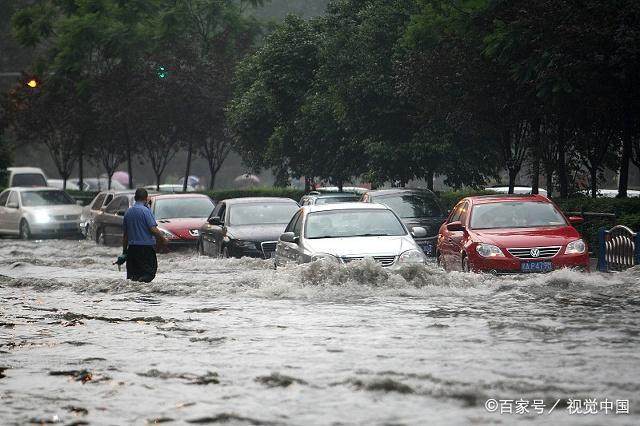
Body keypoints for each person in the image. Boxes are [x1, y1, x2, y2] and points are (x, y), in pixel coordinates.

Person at [120, 188, 167, 282]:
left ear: (135, 198)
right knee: (149, 273)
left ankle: (136, 295)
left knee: (134, 277)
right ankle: (143, 293)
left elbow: (125, 235)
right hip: (145, 249)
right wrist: (163, 239)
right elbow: (153, 229)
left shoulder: (128, 212)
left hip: (132, 249)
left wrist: (125, 252)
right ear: (146, 198)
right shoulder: (145, 211)